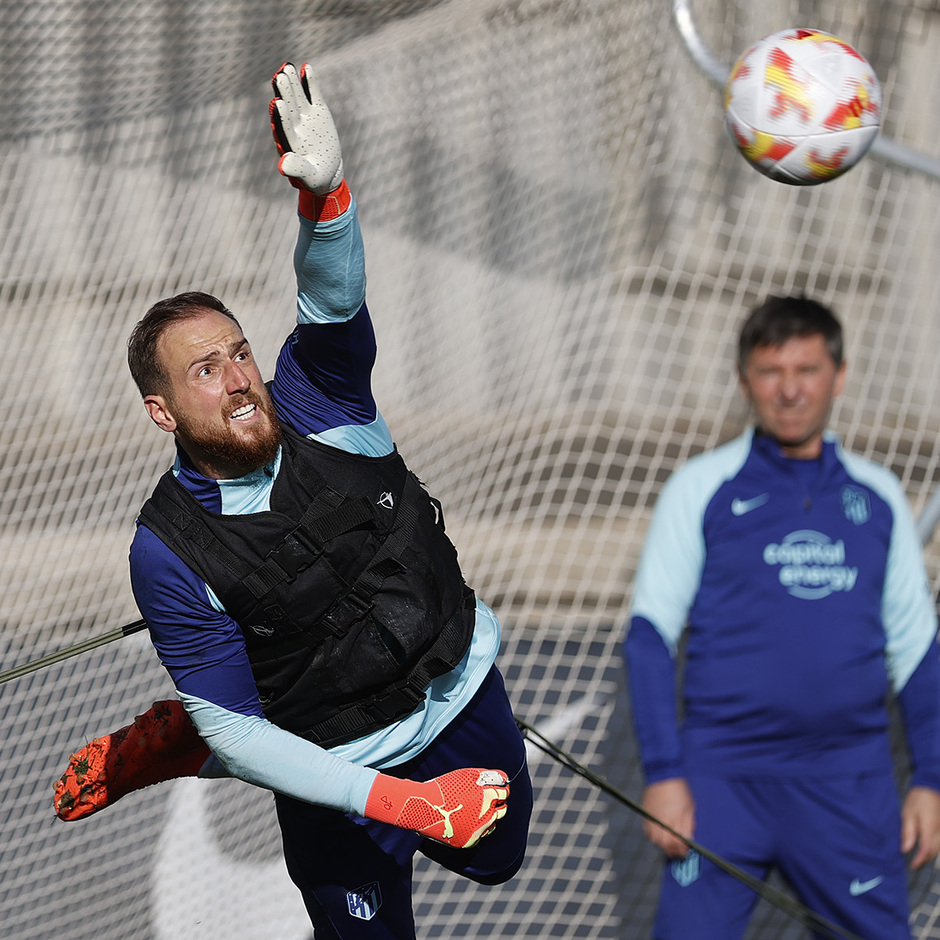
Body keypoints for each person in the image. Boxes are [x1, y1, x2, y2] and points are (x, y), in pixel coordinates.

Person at [53, 61, 531, 938]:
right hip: (331, 763)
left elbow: (331, 297)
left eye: (239, 352)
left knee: (498, 861)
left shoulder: (319, 398)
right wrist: (407, 805)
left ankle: (185, 732)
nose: (240, 380)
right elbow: (250, 739)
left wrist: (328, 198)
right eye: (207, 369)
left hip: (458, 688)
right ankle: (189, 738)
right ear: (160, 410)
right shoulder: (165, 551)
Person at [623, 295, 940, 940]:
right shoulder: (700, 487)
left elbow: (918, 652)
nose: (790, 391)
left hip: (847, 781)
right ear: (745, 381)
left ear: (840, 376)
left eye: (808, 370)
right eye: (771, 372)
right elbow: (649, 636)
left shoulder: (877, 498)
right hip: (720, 782)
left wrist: (931, 779)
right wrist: (664, 775)